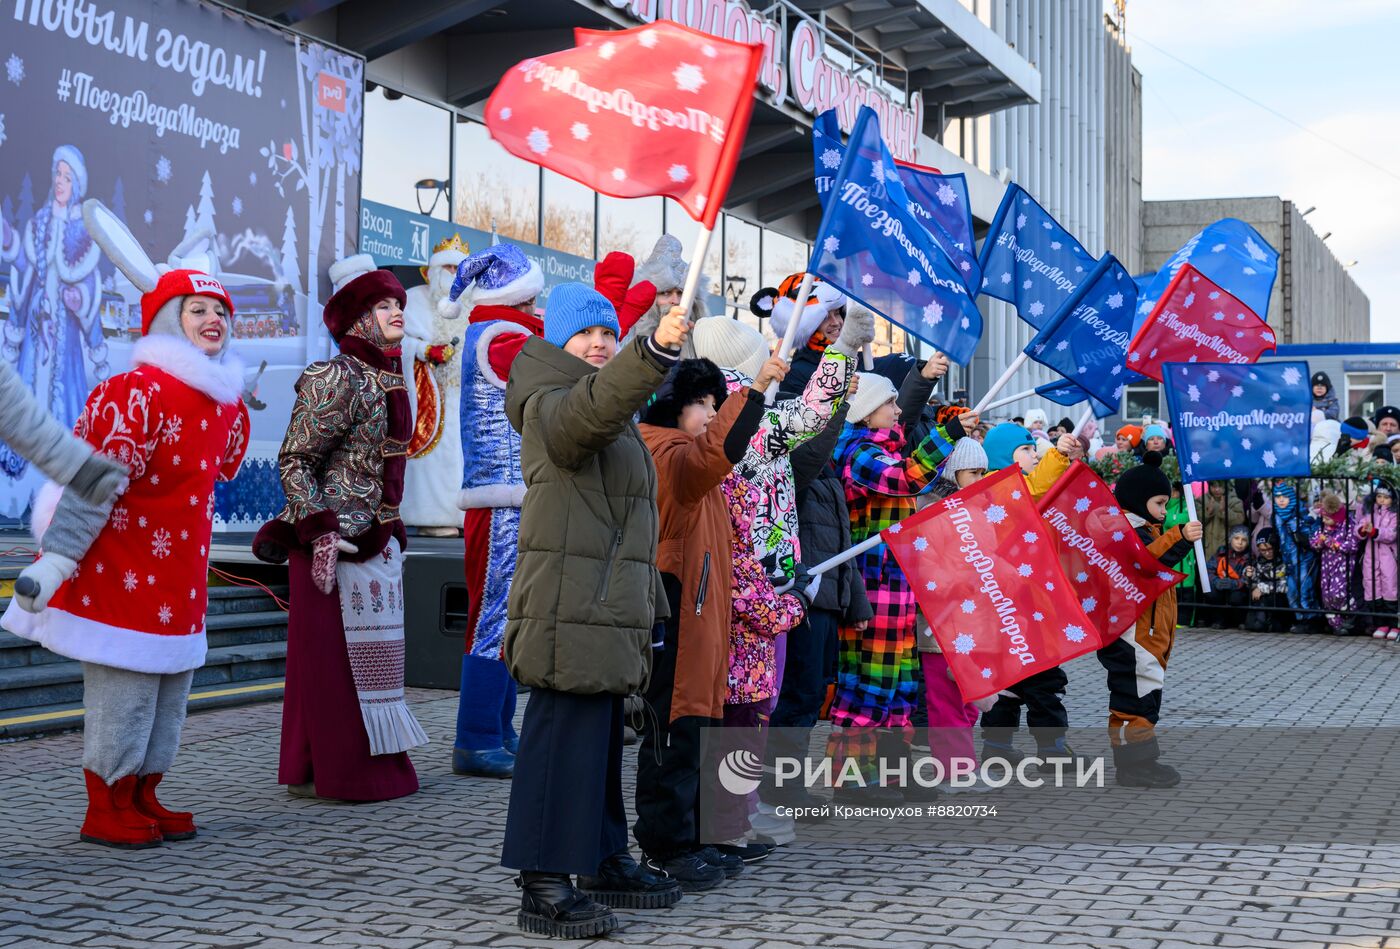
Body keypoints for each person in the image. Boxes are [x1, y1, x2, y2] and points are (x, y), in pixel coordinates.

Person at [5, 268, 249, 847]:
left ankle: (142, 791)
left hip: (181, 576)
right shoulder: (136, 392)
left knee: (170, 692)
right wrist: (57, 558)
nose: (213, 320)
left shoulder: (226, 406)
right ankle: (106, 803)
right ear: (168, 321)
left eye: (220, 312)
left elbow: (221, 470)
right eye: (197, 310)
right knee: (126, 690)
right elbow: (92, 482)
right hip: (124, 567)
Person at [499, 286, 690, 939]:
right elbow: (587, 415)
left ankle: (604, 857)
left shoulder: (605, 408)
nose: (600, 343)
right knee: (562, 736)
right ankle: (543, 877)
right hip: (567, 601)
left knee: (600, 737)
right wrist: (654, 351)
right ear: (558, 341)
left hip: (605, 603)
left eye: (609, 333)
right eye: (587, 335)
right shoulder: (548, 400)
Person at [253, 256, 428, 803]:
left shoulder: (390, 375)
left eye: (399, 303)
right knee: (332, 666)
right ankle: (344, 773)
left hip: (373, 540)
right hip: (332, 546)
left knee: (356, 664)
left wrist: (390, 522)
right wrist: (320, 529)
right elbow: (296, 459)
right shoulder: (338, 376)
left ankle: (311, 767)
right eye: (384, 305)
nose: (397, 311)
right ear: (358, 319)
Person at [633, 355, 775, 887]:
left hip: (702, 615)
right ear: (673, 404)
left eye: (717, 403)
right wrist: (753, 392)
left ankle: (691, 837)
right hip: (679, 612)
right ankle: (666, 846)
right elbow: (714, 452)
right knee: (674, 733)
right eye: (704, 403)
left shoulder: (686, 455)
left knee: (697, 732)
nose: (712, 413)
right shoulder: (666, 451)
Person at [828, 372, 976, 799]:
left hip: (899, 589)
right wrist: (947, 433)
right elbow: (904, 480)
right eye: (889, 403)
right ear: (865, 411)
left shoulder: (885, 450)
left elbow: (918, 478)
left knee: (900, 684)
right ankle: (853, 778)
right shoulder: (857, 453)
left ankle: (891, 772)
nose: (897, 411)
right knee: (867, 683)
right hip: (871, 589)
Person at [444, 243, 546, 779]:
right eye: (534, 297)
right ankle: (477, 736)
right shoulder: (505, 336)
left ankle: (497, 729)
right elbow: (558, 373)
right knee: (493, 618)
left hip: (510, 496)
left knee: (510, 618)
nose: (539, 306)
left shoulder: (506, 330)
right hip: (501, 498)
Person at [976, 423, 1082, 766]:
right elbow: (1038, 488)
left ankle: (997, 745)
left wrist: (1066, 460)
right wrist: (1058, 453)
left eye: (1035, 450)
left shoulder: (999, 489)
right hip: (1024, 601)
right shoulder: (1003, 488)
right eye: (1026, 450)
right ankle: (1050, 747)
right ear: (1004, 457)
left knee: (1007, 677)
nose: (1034, 454)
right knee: (1044, 676)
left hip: (1015, 602)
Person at [1, 146, 106, 492]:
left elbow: (89, 287)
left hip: (67, 340)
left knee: (67, 399)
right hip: (36, 332)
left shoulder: (83, 233)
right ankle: (21, 472)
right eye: (56, 174)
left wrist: (80, 299)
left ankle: (66, 469)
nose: (59, 181)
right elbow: (25, 270)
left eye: (67, 176)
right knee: (27, 392)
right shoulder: (39, 223)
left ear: (76, 183)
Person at [1098, 452, 1200, 788]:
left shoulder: (1146, 529)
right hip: (1132, 634)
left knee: (1146, 697)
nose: (1163, 511)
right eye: (1158, 503)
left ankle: (1142, 759)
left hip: (1148, 634)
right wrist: (1181, 537)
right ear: (1138, 500)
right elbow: (1146, 564)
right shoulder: (1123, 532)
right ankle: (1132, 765)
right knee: (1134, 700)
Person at [917, 437, 990, 783]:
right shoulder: (929, 509)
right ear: (953, 471)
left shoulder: (980, 509)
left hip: (974, 621)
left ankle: (961, 762)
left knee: (969, 700)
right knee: (947, 700)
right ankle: (955, 770)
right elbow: (925, 564)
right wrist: (961, 578)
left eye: (984, 472)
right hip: (940, 623)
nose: (980, 478)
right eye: (972, 472)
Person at [400, 234, 470, 535]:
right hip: (429, 393)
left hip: (466, 397)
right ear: (431, 272)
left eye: (459, 270)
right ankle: (432, 517)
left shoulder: (474, 305)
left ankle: (464, 518)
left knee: (464, 457)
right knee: (435, 457)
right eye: (448, 269)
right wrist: (426, 351)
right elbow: (399, 340)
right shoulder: (413, 299)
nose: (454, 275)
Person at [753, 273, 912, 392]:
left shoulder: (859, 359)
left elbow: (893, 367)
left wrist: (922, 371)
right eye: (824, 317)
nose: (836, 322)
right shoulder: (795, 375)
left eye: (837, 313)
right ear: (806, 325)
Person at [622, 234, 706, 359]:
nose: (675, 301)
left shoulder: (703, 341)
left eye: (681, 293)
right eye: (665, 293)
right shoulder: (624, 337)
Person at [1273, 483, 1322, 633]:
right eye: (1277, 497)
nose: (1281, 500)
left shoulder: (1300, 513)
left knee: (1305, 590)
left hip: (1304, 559)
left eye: (1285, 497)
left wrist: (1299, 532)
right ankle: (1300, 619)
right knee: (1292, 592)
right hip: (1289, 561)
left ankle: (1312, 620)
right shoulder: (1276, 516)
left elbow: (1312, 534)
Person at [1309, 493, 1359, 634]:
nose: (1324, 521)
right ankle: (1336, 625)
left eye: (1327, 518)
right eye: (1323, 518)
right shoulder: (1323, 527)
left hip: (1342, 565)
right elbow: (1314, 541)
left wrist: (1333, 543)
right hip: (1327, 565)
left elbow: (1352, 546)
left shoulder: (1348, 525)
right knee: (1326, 595)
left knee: (1338, 593)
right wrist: (1319, 542)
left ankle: (1351, 614)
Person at [1357, 484, 1398, 639]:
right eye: (1379, 496)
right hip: (1371, 555)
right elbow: (1360, 525)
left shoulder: (1394, 514)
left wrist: (1375, 532)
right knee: (1373, 586)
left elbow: (1391, 534)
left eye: (1386, 497)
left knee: (1389, 587)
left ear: (1392, 499)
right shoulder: (1370, 511)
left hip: (1388, 556)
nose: (1382, 500)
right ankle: (1381, 623)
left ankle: (1394, 624)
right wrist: (1363, 530)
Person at [1207, 526, 1253, 629]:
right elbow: (1209, 569)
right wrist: (1216, 581)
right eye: (1236, 538)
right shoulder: (1221, 553)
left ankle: (1239, 621)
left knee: (1236, 597)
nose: (1240, 543)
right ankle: (1219, 620)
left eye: (1244, 540)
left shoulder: (1249, 557)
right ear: (1230, 539)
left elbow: (1248, 577)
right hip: (1220, 584)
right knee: (1212, 593)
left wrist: (1235, 584)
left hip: (1238, 588)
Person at [1244, 529, 1289, 632]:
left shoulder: (1284, 560)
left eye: (1270, 549)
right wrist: (1249, 576)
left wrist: (1262, 588)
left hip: (1279, 599)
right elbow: (1252, 584)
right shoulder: (1259, 562)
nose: (1267, 553)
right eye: (1263, 550)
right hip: (1263, 599)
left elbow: (1285, 585)